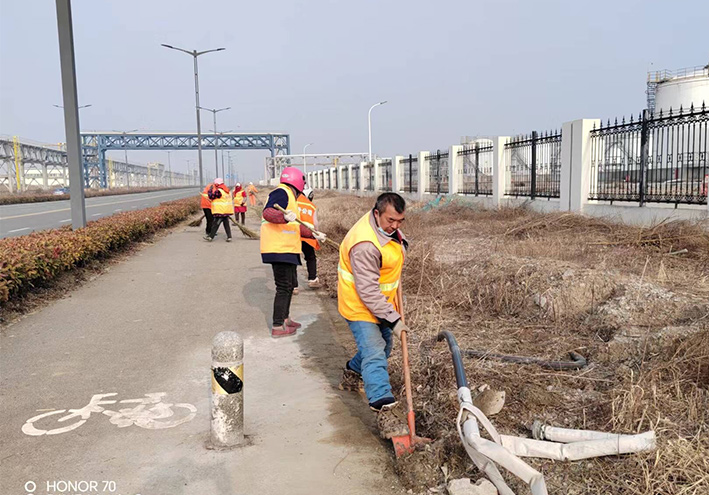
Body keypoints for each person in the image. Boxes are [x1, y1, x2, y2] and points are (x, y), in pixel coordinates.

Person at [337, 192, 410, 437]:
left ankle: (352, 372)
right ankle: (384, 408)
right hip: (359, 304)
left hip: (380, 302)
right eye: (391, 220)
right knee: (375, 351)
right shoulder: (365, 245)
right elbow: (367, 291)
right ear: (376, 213)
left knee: (384, 347)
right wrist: (394, 320)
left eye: (400, 221)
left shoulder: (386, 229)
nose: (395, 226)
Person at [260, 167, 325, 338]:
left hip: (287, 248)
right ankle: (277, 326)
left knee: (289, 286)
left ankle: (285, 319)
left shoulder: (290, 197)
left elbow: (295, 226)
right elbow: (268, 212)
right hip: (278, 248)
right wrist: (282, 217)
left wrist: (313, 234)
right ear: (297, 183)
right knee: (283, 287)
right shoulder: (282, 192)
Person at [295, 187, 321, 290]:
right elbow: (315, 224)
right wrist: (317, 234)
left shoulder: (293, 202)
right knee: (310, 257)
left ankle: (293, 286)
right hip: (308, 237)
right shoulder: (311, 206)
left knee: (293, 259)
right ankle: (313, 279)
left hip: (294, 235)